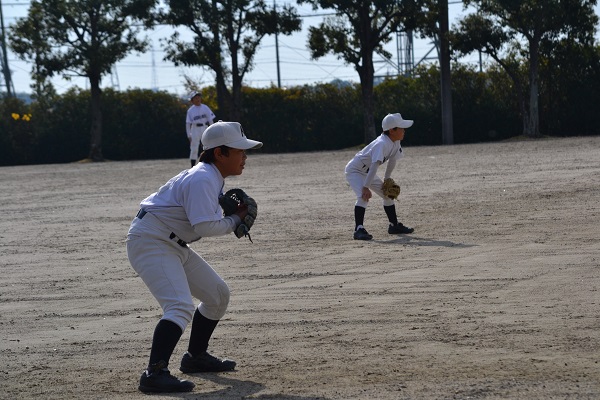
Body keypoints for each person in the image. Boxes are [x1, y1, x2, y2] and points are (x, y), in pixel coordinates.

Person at [126, 121, 263, 393]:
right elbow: (204, 227)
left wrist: (229, 217)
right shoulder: (203, 178)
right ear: (219, 153)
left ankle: (195, 357)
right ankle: (154, 373)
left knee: (217, 295)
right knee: (179, 306)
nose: (245, 156)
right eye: (239, 150)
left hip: (171, 242)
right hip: (151, 241)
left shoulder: (210, 176)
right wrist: (235, 220)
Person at [345, 112, 415, 241]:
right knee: (363, 196)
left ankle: (393, 225)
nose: (404, 130)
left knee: (388, 194)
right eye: (401, 128)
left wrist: (387, 178)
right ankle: (358, 229)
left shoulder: (395, 142)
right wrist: (366, 187)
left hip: (367, 172)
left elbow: (392, 160)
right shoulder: (381, 143)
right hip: (354, 171)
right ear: (392, 130)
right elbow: (374, 166)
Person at [186, 91, 216, 168]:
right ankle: (192, 166)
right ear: (192, 100)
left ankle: (208, 164)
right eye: (195, 98)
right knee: (194, 147)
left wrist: (212, 129)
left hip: (204, 127)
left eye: (199, 97)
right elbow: (188, 123)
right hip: (195, 129)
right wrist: (189, 135)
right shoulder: (190, 110)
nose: (198, 99)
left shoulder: (205, 107)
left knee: (207, 145)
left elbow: (210, 120)